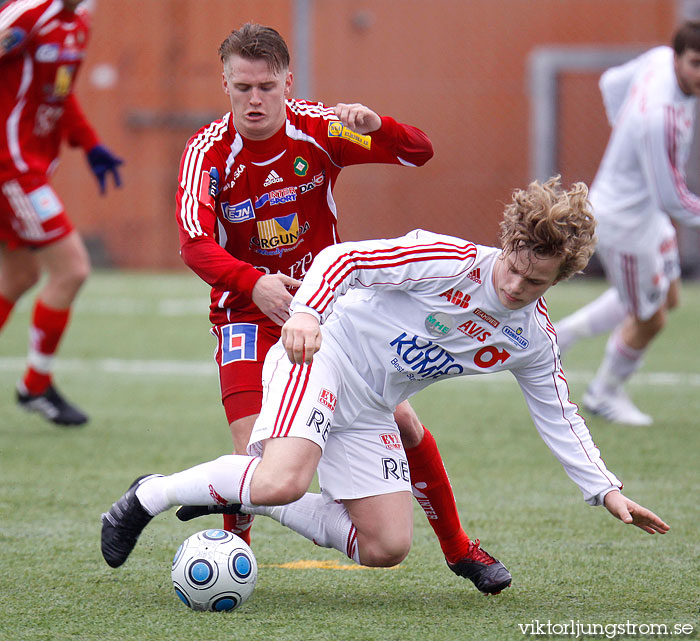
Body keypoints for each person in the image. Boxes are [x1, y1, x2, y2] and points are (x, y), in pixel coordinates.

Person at [102, 177, 669, 593]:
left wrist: (606, 489)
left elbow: (559, 414)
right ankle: (149, 494)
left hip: (373, 406)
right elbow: (344, 259)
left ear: (560, 278)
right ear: (509, 239)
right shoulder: (448, 259)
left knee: (386, 548)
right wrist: (307, 314)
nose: (516, 285)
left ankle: (241, 491)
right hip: (324, 355)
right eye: (514, 266)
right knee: (282, 481)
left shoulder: (534, 338)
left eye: (535, 281)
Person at [174, 22, 498, 589]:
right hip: (246, 316)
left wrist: (381, 128)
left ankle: (460, 547)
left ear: (287, 82)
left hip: (330, 310)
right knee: (253, 453)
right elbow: (193, 243)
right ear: (224, 84)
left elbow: (419, 151)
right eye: (243, 87)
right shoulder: (208, 151)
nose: (255, 99)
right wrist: (254, 284)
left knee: (402, 419)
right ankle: (234, 566)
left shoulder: (318, 128)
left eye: (267, 87)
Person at [554, 21, 700, 425]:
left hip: (647, 211)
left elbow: (610, 82)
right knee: (651, 318)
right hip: (627, 223)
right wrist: (634, 134)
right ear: (678, 58)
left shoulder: (656, 60)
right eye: (696, 63)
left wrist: (623, 129)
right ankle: (603, 395)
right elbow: (674, 197)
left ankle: (561, 336)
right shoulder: (661, 117)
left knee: (667, 296)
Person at [0, 0, 123, 426]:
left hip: (32, 168)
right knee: (71, 268)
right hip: (11, 168)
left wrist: (90, 144)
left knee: (19, 277)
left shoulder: (80, 20)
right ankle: (34, 385)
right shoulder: (26, 15)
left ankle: (35, 386)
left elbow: (60, 93)